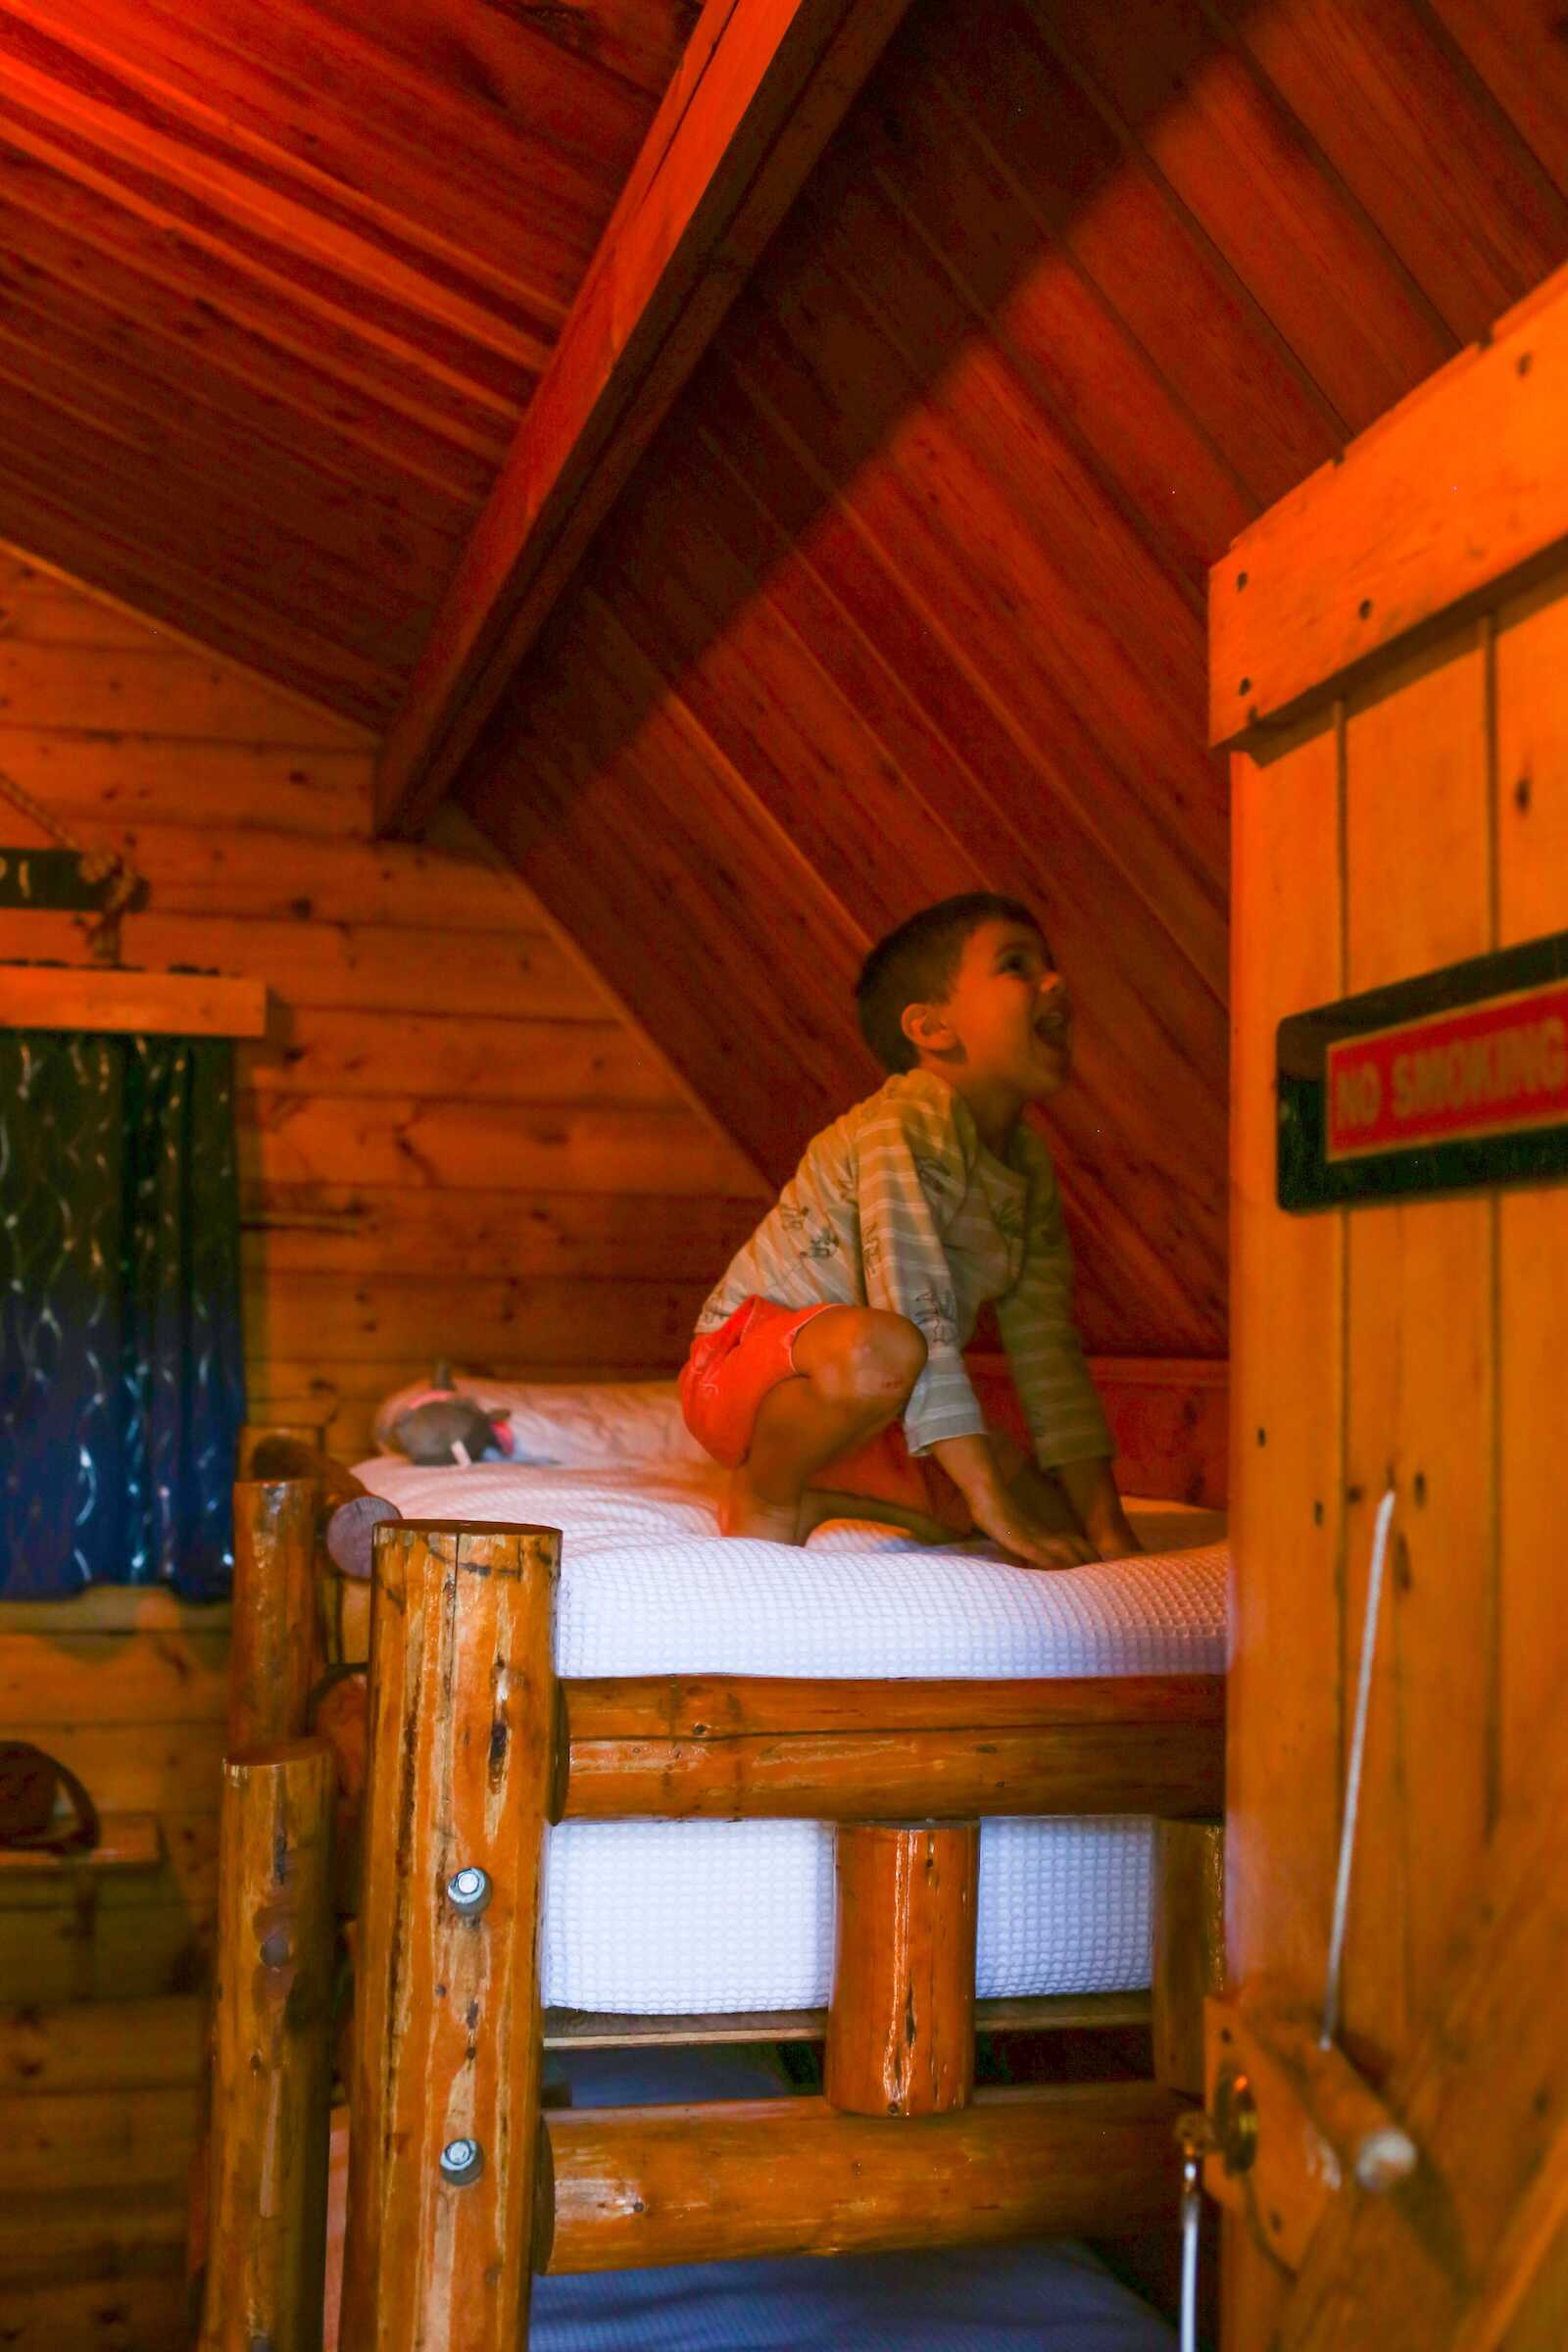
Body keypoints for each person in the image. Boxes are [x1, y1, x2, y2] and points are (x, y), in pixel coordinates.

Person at [678, 894, 1140, 1568]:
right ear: (932, 1028)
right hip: (738, 1367)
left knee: (1052, 1515)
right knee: (886, 1351)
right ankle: (768, 1491)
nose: (1055, 982)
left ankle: (831, 1494)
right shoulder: (900, 1125)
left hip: (872, 1396)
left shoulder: (1027, 1164)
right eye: (1017, 965)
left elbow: (1048, 1352)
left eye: (1050, 964)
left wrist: (1111, 1532)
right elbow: (913, 1302)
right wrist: (983, 1498)